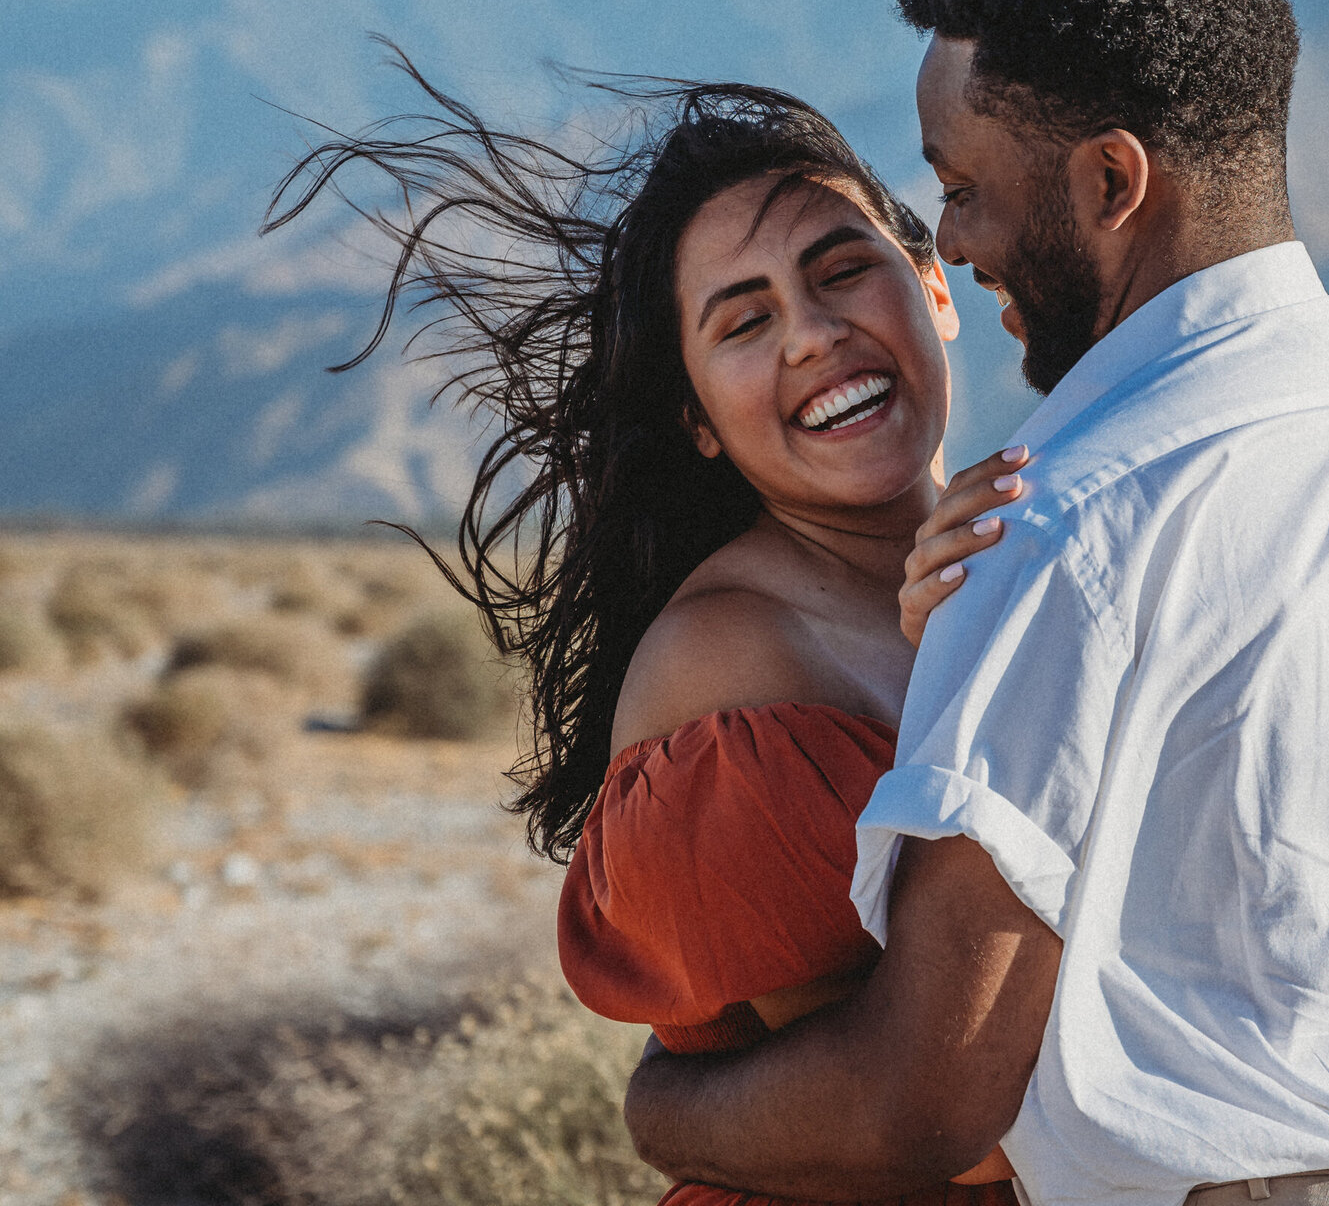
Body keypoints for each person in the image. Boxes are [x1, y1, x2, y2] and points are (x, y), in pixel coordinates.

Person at [622, 0, 1329, 1206]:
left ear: (1110, 185)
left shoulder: (1060, 522)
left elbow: (927, 1095)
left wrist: (666, 1109)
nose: (955, 241)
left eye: (962, 188)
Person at [266, 67, 1028, 1206]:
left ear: (933, 286)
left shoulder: (1026, 550)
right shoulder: (731, 667)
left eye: (844, 271)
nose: (814, 336)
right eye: (745, 320)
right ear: (697, 419)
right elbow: (926, 1128)